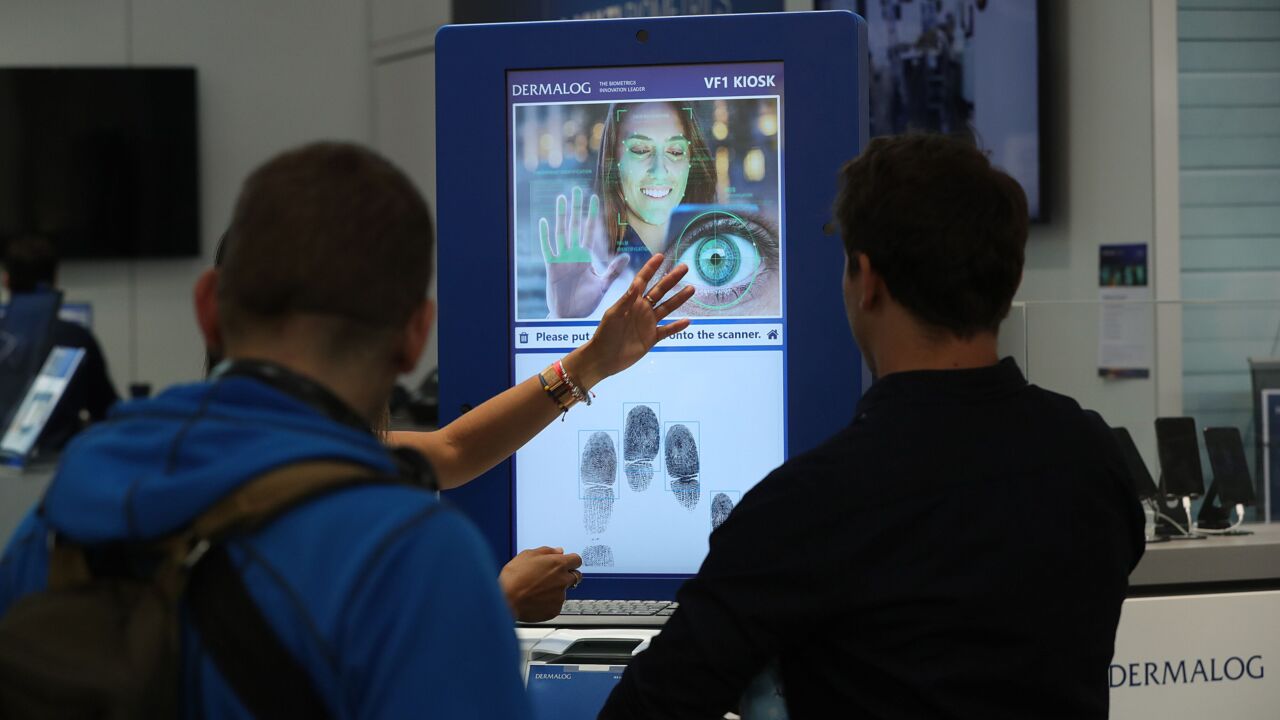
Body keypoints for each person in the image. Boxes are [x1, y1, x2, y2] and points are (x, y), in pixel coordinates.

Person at [0, 142, 692, 717]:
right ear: (414, 338)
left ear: (208, 309)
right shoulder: (411, 559)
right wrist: (487, 603)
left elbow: (448, 450)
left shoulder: (71, 505)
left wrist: (589, 366)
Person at [599, 134, 1146, 719]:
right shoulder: (1094, 460)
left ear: (867, 281)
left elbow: (649, 708)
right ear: (1007, 283)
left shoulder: (809, 507)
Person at [541, 100, 715, 319]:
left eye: (676, 151)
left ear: (691, 163)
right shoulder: (591, 270)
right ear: (614, 162)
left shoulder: (722, 258)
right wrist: (564, 321)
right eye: (640, 150)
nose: (659, 170)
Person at [1, 234, 120, 450]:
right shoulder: (74, 338)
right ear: (55, 279)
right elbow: (105, 411)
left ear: (5, 280)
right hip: (54, 466)